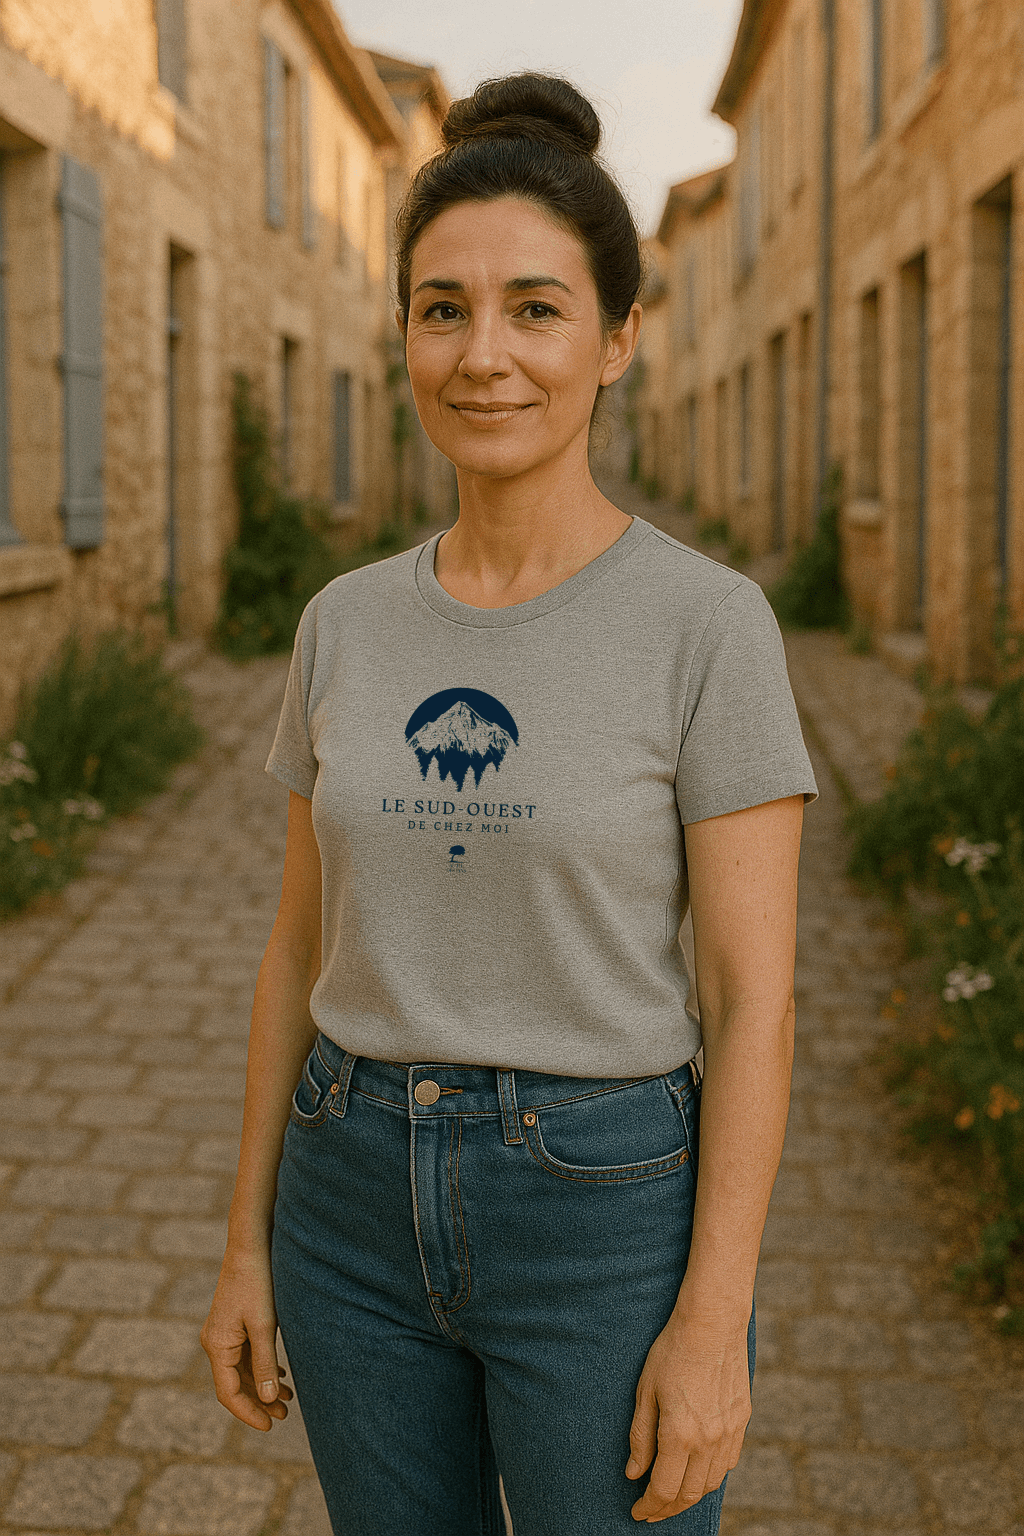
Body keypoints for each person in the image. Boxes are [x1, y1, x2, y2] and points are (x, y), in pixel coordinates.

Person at [201, 72, 817, 1536]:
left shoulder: (706, 625)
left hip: (600, 1216)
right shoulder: (342, 624)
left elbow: (754, 1000)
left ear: (618, 340)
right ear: (406, 329)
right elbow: (298, 953)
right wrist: (244, 1246)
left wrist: (714, 1318)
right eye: (442, 309)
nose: (484, 357)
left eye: (536, 309)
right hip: (345, 1205)